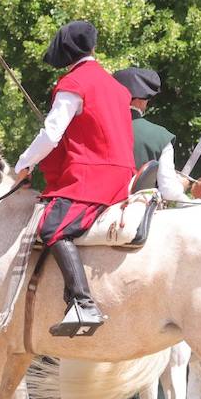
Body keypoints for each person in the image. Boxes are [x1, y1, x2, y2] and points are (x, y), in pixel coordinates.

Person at [14, 21, 136, 336]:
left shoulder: (73, 83)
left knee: (52, 227)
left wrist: (24, 162)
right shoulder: (117, 87)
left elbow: (52, 134)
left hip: (92, 175)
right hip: (121, 174)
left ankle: (83, 302)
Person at [112, 67, 186, 200]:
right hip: (136, 210)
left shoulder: (94, 127)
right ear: (141, 100)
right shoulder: (160, 136)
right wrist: (181, 185)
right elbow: (169, 192)